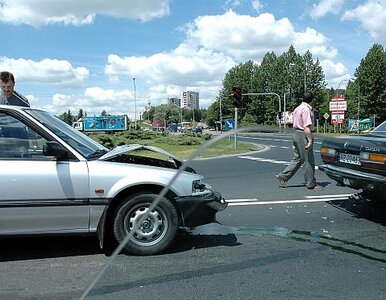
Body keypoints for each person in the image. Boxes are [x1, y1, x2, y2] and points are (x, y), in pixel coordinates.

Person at [276, 91, 323, 190]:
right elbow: (306, 126)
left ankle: (283, 176)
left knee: (297, 159)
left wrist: (295, 142)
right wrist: (310, 140)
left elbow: (295, 123)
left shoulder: (297, 108)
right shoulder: (306, 110)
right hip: (303, 134)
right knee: (308, 161)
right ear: (312, 100)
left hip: (296, 133)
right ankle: (311, 183)